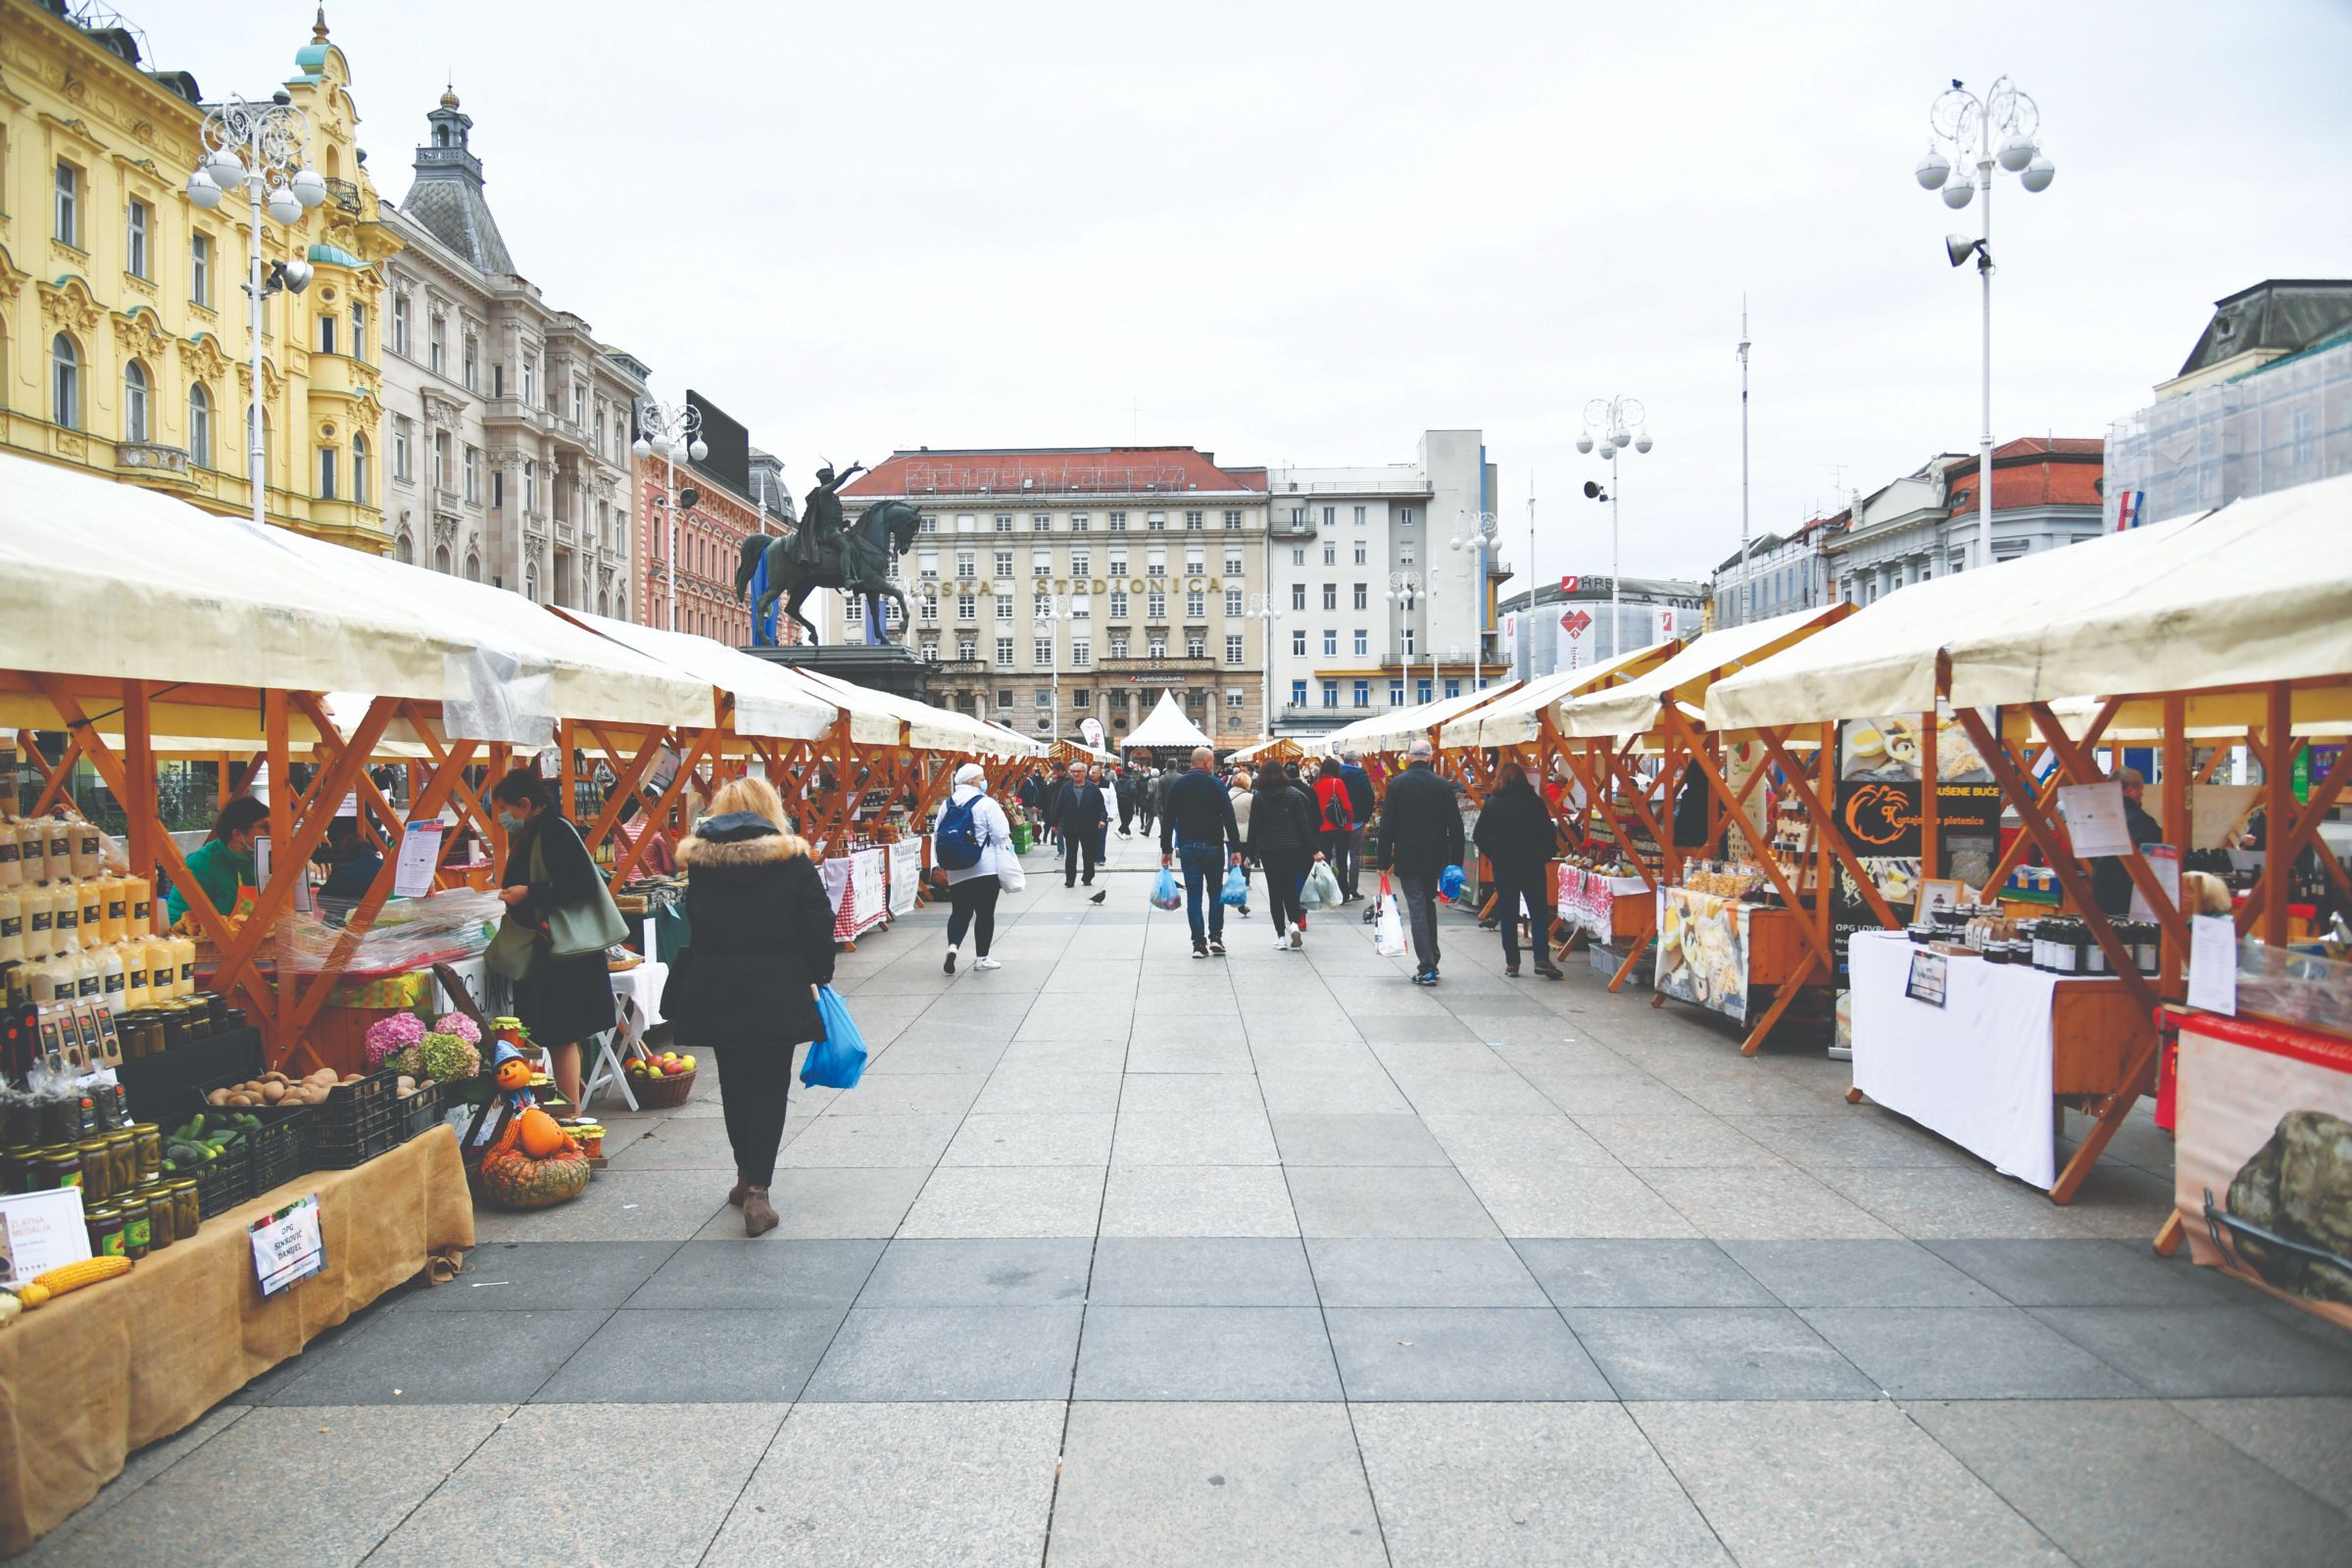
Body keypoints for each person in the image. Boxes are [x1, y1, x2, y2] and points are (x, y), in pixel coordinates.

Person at [669, 776, 836, 1237]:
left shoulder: (702, 863)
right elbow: (817, 922)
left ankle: (745, 1176)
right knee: (768, 1085)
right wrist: (818, 974)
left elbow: (697, 924)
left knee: (734, 1083)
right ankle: (759, 1191)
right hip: (777, 984)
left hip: (718, 984)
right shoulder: (792, 858)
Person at [490, 767, 615, 1107]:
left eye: (503, 809)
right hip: (551, 950)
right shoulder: (537, 831)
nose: (500, 818)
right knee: (556, 1034)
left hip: (561, 953)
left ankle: (572, 1115)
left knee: (561, 1035)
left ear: (525, 804)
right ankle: (560, 1109)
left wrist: (528, 893)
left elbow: (581, 884)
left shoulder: (553, 831)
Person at [1379, 739, 1466, 985]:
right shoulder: (1442, 785)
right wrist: (1455, 862)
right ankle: (1433, 957)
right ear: (1429, 757)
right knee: (1427, 904)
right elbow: (1455, 826)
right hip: (1436, 857)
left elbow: (1387, 826)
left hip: (1408, 855)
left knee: (1417, 907)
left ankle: (1426, 965)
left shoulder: (1397, 784)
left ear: (1409, 757)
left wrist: (1383, 861)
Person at [1474, 761, 1565, 979]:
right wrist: (1543, 855)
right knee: (1539, 913)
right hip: (1532, 865)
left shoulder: (1493, 803)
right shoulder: (1535, 803)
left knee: (1508, 914)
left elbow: (1479, 835)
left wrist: (1495, 854)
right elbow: (1548, 834)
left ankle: (1512, 963)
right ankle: (1541, 959)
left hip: (1505, 865)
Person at [1160, 746, 1245, 958]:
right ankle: (1216, 937)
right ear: (1207, 762)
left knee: (1194, 895)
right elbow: (1228, 817)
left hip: (1188, 847)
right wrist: (1235, 847)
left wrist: (1166, 849)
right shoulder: (1216, 784)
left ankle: (1199, 943)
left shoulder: (1179, 784)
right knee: (1215, 892)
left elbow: (1168, 817)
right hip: (1214, 847)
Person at [933, 762, 1013, 973]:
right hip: (984, 867)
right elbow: (1000, 834)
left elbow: (937, 834)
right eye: (981, 778)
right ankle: (982, 958)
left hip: (957, 869)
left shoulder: (946, 804)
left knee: (959, 912)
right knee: (985, 913)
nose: (983, 781)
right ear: (972, 781)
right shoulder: (986, 803)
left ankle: (953, 947)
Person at [164, 795, 270, 924]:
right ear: (237, 834)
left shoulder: (262, 860)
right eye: (265, 827)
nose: (272, 833)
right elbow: (177, 919)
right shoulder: (201, 863)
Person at [1250, 760, 1321, 950]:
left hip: (1269, 849)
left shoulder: (1259, 796)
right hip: (1292, 848)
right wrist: (1315, 850)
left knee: (1275, 892)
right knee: (1290, 888)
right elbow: (1304, 825)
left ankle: (1280, 936)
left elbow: (1253, 827)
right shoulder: (1293, 795)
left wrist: (1248, 853)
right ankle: (1294, 924)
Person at [2090, 766, 2167, 916]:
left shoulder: (2102, 816)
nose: (2142, 794)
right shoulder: (2140, 821)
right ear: (2130, 789)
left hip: (2102, 891)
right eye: (2141, 788)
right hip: (2130, 896)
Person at [1054, 761, 1109, 887]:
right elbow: (1059, 806)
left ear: (1085, 773)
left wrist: (1102, 819)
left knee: (1088, 854)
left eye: (1078, 771)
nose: (1075, 774)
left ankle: (1087, 877)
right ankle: (1070, 880)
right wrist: (1055, 823)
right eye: (1073, 771)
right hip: (1070, 826)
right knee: (1071, 854)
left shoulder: (1093, 788)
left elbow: (1101, 806)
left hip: (1088, 826)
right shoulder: (1066, 788)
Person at [1313, 756, 1360, 901]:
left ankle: (1326, 891)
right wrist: (1350, 819)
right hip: (1340, 827)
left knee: (1324, 861)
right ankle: (1343, 892)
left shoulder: (1315, 784)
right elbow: (1346, 805)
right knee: (1341, 860)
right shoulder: (1337, 782)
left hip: (1322, 827)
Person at [1334, 751, 1377, 901]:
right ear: (1354, 761)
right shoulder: (1361, 776)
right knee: (1355, 856)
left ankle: (1338, 887)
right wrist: (1365, 817)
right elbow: (1369, 798)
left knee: (1338, 855)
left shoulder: (1336, 774)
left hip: (1338, 822)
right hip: (1356, 821)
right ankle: (1353, 888)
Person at [318, 815, 386, 902]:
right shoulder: (383, 866)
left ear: (345, 850)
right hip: (379, 911)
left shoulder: (342, 870)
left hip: (348, 913)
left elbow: (323, 899)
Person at [1227, 768, 1255, 914]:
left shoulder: (1226, 795)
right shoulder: (1250, 798)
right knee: (1245, 860)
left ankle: (1232, 882)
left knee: (1231, 857)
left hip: (1228, 834)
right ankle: (1242, 883)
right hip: (1245, 834)